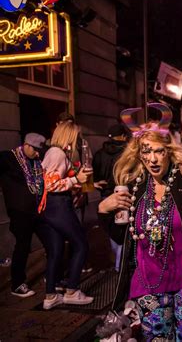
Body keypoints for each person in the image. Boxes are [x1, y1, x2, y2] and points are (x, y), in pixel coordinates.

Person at [97, 122, 182, 341]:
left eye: (158, 151)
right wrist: (103, 210)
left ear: (169, 151)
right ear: (139, 154)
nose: (153, 159)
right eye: (147, 151)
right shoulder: (134, 187)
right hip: (149, 286)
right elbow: (122, 238)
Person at [39, 122, 94, 310]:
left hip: (52, 208)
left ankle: (51, 296)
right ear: (69, 135)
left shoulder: (53, 152)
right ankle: (72, 291)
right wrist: (76, 179)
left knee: (56, 251)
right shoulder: (58, 153)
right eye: (76, 136)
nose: (78, 140)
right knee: (81, 245)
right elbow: (50, 185)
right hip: (58, 207)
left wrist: (76, 184)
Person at [0, 133, 48, 298]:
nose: (38, 154)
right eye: (35, 150)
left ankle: (52, 276)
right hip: (19, 213)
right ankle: (17, 284)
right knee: (23, 247)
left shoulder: (36, 162)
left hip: (37, 211)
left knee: (51, 242)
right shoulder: (8, 158)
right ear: (27, 145)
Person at [92, 123, 129, 272]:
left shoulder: (100, 153)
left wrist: (97, 183)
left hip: (105, 194)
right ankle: (120, 266)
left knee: (111, 230)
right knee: (123, 227)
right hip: (122, 193)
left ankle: (119, 262)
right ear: (122, 136)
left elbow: (94, 174)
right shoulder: (126, 153)